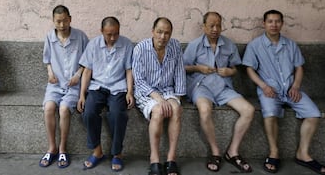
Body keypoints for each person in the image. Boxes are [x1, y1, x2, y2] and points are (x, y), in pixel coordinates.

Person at [243, 9, 325, 174]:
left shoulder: (290, 44)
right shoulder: (255, 45)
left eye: (277, 21)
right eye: (270, 21)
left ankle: (303, 153)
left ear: (282, 23)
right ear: (264, 23)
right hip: (269, 90)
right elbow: (249, 69)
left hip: (290, 89)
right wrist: (263, 86)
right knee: (270, 113)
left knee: (314, 114)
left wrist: (295, 85)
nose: (274, 24)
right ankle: (274, 152)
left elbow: (299, 67)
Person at [183, 12, 254, 173]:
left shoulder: (228, 44)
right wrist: (197, 68)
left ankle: (232, 152)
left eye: (218, 25)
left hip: (223, 86)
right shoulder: (195, 45)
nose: (215, 29)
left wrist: (230, 72)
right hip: (201, 85)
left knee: (248, 110)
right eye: (211, 26)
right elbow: (183, 67)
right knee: (205, 110)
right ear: (204, 27)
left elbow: (235, 68)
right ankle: (215, 152)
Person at [77, 16, 134, 172]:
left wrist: (130, 92)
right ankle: (97, 151)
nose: (112, 37)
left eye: (116, 33)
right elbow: (87, 71)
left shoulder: (127, 44)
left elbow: (129, 70)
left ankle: (117, 153)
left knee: (118, 114)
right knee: (88, 112)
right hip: (97, 86)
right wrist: (82, 95)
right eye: (109, 34)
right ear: (101, 31)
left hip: (118, 88)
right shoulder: (93, 45)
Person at [133, 17, 186, 175]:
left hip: (168, 89)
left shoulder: (175, 46)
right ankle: (154, 159)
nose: (163, 37)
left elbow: (180, 72)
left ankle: (171, 158)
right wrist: (159, 99)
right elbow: (139, 80)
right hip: (147, 91)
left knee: (176, 109)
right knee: (158, 111)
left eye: (167, 33)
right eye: (159, 32)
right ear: (153, 31)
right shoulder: (141, 48)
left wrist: (178, 97)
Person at [39, 5, 89, 168]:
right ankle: (52, 147)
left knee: (64, 109)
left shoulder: (80, 36)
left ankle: (62, 148)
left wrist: (78, 74)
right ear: (53, 21)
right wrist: (50, 73)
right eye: (58, 21)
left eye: (65, 21)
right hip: (55, 84)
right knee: (49, 108)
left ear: (70, 19)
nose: (62, 25)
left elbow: (87, 61)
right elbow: (47, 60)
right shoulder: (49, 37)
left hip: (73, 85)